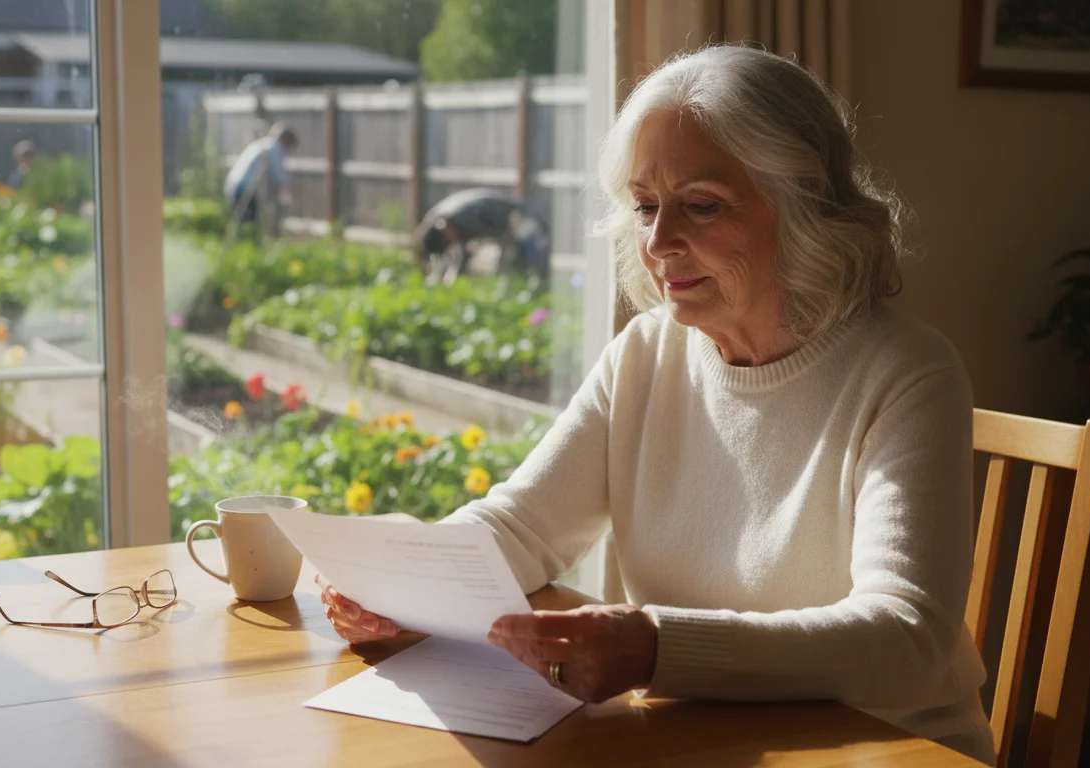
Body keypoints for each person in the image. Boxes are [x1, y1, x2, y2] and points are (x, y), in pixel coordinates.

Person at [317, 44, 995, 765]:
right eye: (645, 207)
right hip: (703, 741)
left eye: (701, 206)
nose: (658, 242)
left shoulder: (908, 373)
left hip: (885, 748)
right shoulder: (647, 353)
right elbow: (522, 524)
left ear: (805, 209)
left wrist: (658, 647)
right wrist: (407, 586)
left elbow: (905, 636)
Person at [413, 187, 551, 285]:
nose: (452, 244)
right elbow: (456, 253)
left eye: (449, 242)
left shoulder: (465, 218)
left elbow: (501, 235)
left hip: (516, 216)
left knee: (522, 259)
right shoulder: (438, 219)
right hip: (502, 219)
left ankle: (538, 284)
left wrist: (450, 280)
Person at [224, 122, 298, 233]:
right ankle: (247, 246)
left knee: (242, 223)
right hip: (245, 189)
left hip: (234, 184)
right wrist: (287, 193)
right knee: (248, 225)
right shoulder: (274, 148)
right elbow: (280, 174)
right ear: (286, 142)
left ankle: (244, 244)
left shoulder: (262, 144)